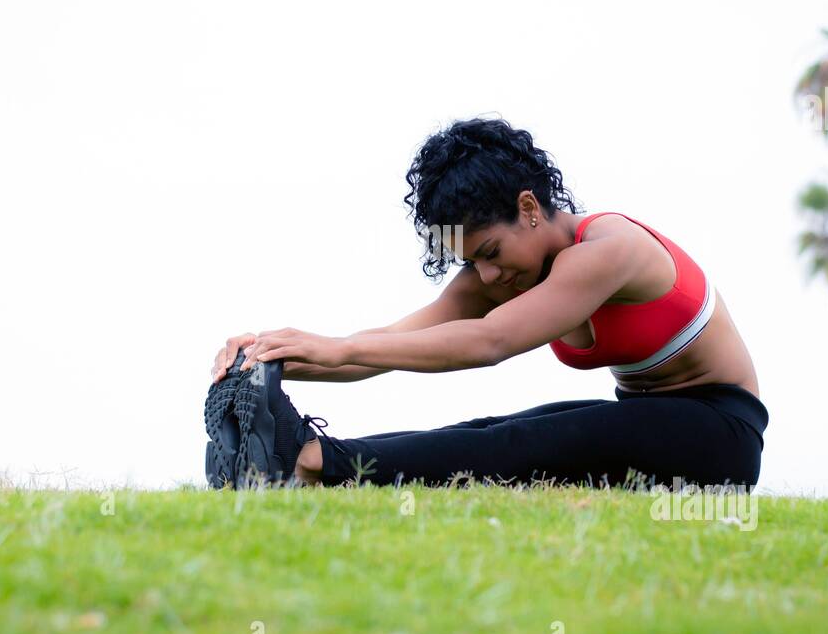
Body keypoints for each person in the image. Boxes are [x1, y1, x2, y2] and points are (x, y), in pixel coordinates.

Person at [206, 116, 767, 490]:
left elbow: (489, 342)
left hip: (720, 434)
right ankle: (299, 460)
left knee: (524, 440)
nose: (489, 274)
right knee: (489, 428)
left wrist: (334, 349)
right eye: (472, 262)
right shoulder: (496, 275)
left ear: (529, 207)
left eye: (492, 252)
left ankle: (309, 461)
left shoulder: (609, 250)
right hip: (645, 421)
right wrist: (269, 360)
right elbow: (396, 341)